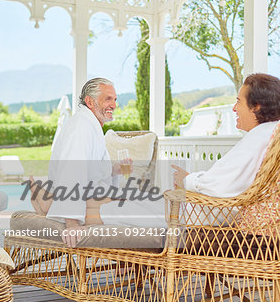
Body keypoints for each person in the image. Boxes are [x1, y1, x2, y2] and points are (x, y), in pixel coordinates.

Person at [85, 73, 280, 229]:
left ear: (256, 106)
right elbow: (229, 180)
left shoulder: (257, 138)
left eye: (239, 101)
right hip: (204, 209)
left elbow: (219, 184)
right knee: (133, 203)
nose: (234, 108)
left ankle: (72, 234)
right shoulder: (267, 134)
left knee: (113, 210)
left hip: (201, 214)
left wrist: (186, 180)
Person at [29, 77, 119, 246]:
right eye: (108, 98)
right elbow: (73, 169)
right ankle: (50, 202)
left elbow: (94, 170)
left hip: (88, 195)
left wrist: (115, 170)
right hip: (84, 199)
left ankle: (49, 202)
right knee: (131, 211)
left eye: (115, 99)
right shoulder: (82, 127)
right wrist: (72, 223)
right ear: (90, 102)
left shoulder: (90, 125)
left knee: (129, 203)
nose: (113, 105)